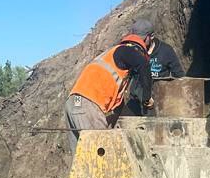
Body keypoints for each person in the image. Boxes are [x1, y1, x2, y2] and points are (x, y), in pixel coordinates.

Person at [64, 19, 153, 154]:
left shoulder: (112, 55)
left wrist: (122, 115)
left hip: (74, 103)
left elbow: (116, 99)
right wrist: (147, 98)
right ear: (147, 38)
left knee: (81, 159)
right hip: (87, 106)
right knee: (101, 155)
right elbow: (143, 65)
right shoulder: (127, 51)